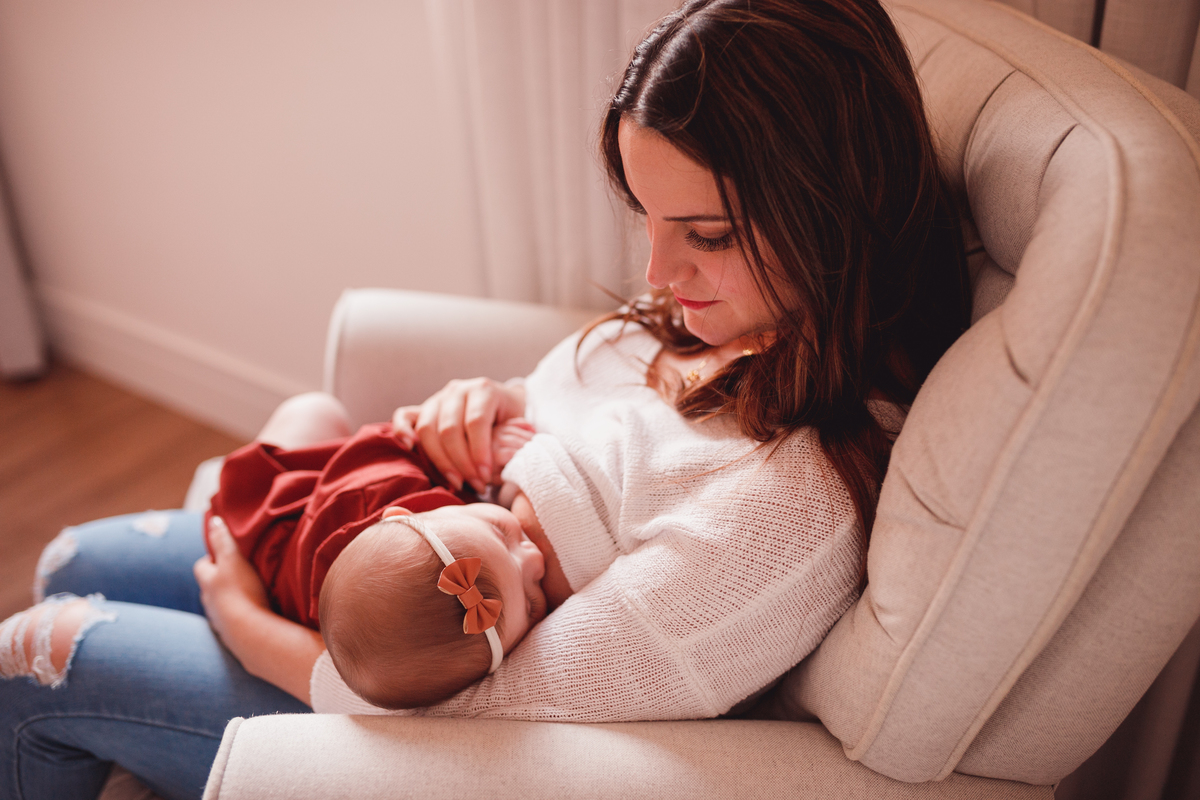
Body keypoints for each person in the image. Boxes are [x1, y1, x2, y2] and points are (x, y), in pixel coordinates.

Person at [0, 0, 971, 797]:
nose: (659, 270)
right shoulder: (746, 320)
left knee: (29, 665)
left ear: (830, 207)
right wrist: (491, 397)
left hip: (387, 702)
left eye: (704, 233)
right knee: (73, 556)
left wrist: (250, 623)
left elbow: (493, 714)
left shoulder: (789, 509)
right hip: (393, 550)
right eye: (648, 218)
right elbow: (590, 420)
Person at [206, 394, 555, 708]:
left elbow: (381, 449)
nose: (535, 559)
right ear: (404, 512)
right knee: (315, 410)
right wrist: (442, 441)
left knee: (314, 411)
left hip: (269, 534)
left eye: (531, 602)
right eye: (502, 532)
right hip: (291, 524)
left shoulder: (387, 634)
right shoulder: (385, 484)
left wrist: (419, 448)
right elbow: (387, 446)